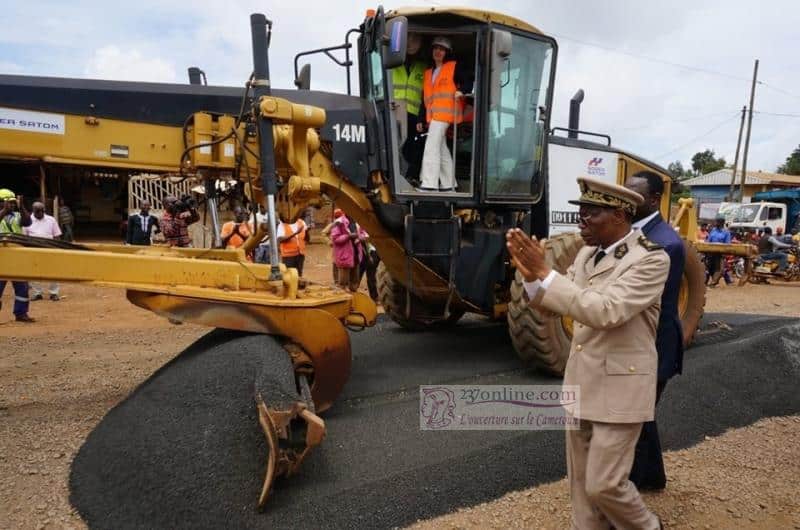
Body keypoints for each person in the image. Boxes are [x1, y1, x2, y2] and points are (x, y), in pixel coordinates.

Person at [507, 177, 667, 530]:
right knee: (581, 487)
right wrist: (532, 277)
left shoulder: (651, 260)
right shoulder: (584, 255)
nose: (581, 221)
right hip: (582, 383)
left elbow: (604, 310)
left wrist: (547, 273)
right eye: (580, 212)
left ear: (620, 216)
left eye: (590, 213)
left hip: (620, 389)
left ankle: (647, 526)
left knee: (604, 484)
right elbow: (556, 307)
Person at [625, 171, 685, 491]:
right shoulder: (632, 234)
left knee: (633, 416)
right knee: (641, 415)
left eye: (634, 194)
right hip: (639, 344)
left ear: (653, 199)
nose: (627, 199)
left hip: (655, 344)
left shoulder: (666, 243)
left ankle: (626, 491)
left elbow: (653, 308)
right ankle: (652, 478)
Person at [416, 36, 471, 192]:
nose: (438, 52)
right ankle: (449, 184)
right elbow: (425, 98)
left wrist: (462, 90)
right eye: (436, 48)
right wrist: (421, 118)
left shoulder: (454, 67)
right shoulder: (428, 73)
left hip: (445, 115)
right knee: (441, 149)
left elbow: (468, 81)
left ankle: (429, 184)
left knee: (431, 146)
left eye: (442, 49)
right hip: (433, 116)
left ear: (447, 53)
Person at [0, 189, 35, 322]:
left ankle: (21, 313)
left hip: (17, 258)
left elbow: (27, 222)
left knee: (22, 288)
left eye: (13, 203)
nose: (12, 205)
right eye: (9, 203)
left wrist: (21, 206)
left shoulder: (17, 215)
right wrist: (4, 210)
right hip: (1, 259)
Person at [391, 32, 426, 146]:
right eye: (409, 40)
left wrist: (421, 118)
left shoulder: (424, 67)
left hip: (414, 116)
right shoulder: (392, 64)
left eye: (416, 41)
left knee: (410, 147)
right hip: (395, 112)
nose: (411, 44)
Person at [25, 201, 63, 301]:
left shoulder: (51, 220)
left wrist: (57, 250)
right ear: (33, 211)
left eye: (41, 211)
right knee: (33, 272)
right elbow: (24, 237)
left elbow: (57, 236)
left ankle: (54, 293)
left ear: (44, 210)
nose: (39, 213)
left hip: (49, 249)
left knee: (53, 271)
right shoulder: (27, 220)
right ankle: (37, 293)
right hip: (33, 249)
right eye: (37, 211)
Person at [331, 210, 368, 292]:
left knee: (354, 282)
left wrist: (360, 238)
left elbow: (364, 233)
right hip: (345, 255)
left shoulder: (358, 222)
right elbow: (335, 238)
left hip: (356, 254)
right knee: (343, 284)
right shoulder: (339, 222)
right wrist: (348, 236)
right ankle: (343, 301)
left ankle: (354, 301)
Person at [704, 216, 731, 286]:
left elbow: (727, 244)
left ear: (722, 223)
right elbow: (708, 241)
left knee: (719, 269)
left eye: (717, 221)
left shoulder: (726, 232)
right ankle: (705, 283)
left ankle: (713, 282)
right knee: (708, 268)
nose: (716, 223)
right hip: (710, 253)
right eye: (716, 221)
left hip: (720, 254)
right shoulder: (713, 230)